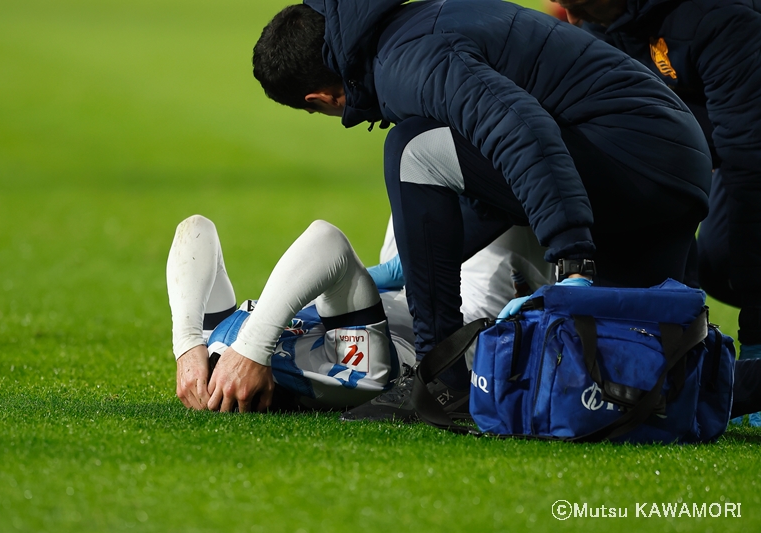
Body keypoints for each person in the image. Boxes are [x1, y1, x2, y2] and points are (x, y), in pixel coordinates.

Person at [251, 0, 713, 418]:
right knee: (665, 378)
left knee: (409, 147)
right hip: (669, 164)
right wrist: (406, 267)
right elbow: (501, 173)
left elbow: (522, 131)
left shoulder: (407, 60)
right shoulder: (410, 29)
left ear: (321, 99)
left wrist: (572, 258)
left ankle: (438, 378)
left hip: (635, 162)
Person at [551, 0, 761, 426]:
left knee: (739, 252)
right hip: (733, 133)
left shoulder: (712, 18)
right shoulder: (608, 28)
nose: (571, 18)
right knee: (718, 264)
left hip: (751, 147)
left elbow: (750, 171)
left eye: (578, 5)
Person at [167, 214, 552, 415]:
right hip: (470, 307)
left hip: (396, 278)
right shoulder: (351, 374)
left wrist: (188, 346)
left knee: (423, 150)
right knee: (493, 160)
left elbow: (196, 230)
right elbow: (326, 240)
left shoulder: (217, 352)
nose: (225, 365)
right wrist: (253, 348)